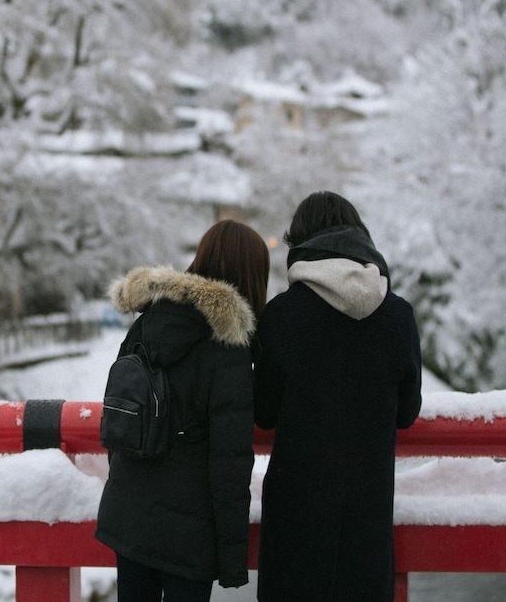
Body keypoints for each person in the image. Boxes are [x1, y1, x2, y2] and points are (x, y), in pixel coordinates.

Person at [253, 191, 423, 601]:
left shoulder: (282, 315)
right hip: (367, 518)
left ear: (303, 245)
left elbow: (264, 412)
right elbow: (407, 413)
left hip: (297, 520)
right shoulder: (399, 316)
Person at [95, 219, 271, 602]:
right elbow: (229, 464)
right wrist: (231, 559)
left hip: (128, 514)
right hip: (188, 533)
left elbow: (123, 412)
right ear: (251, 276)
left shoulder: (149, 320)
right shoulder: (228, 349)